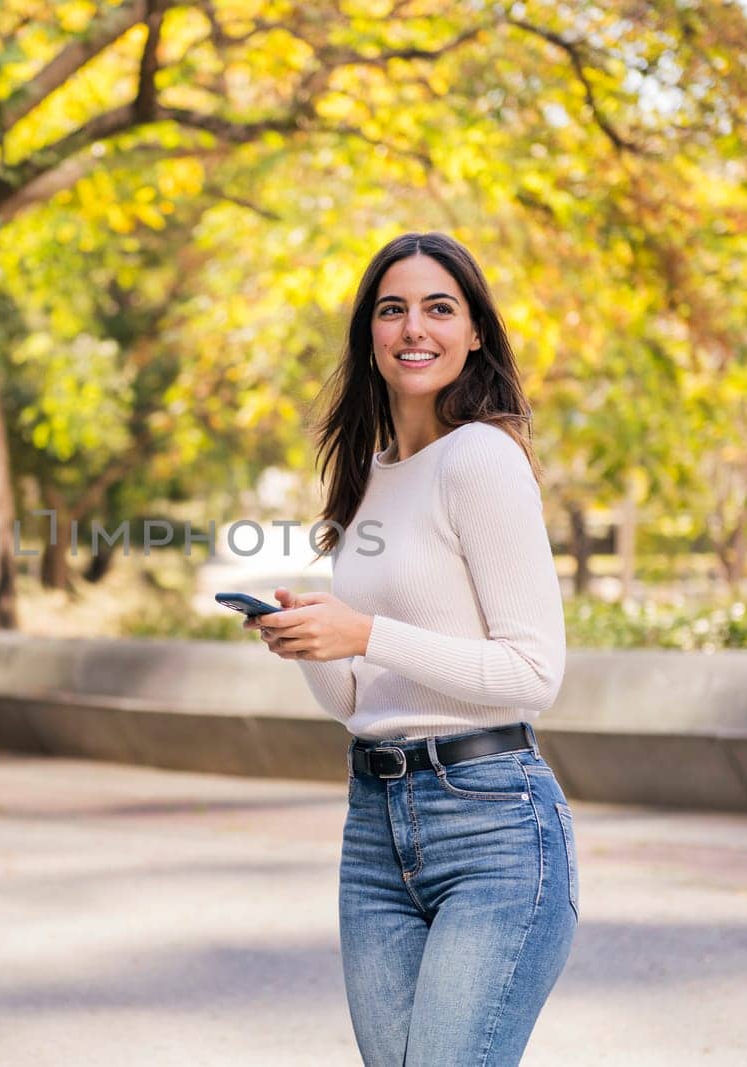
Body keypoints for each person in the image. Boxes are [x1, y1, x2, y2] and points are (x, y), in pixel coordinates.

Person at [246, 232, 576, 1066]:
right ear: (369, 336)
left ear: (474, 333)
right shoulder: (370, 477)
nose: (413, 328)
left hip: (493, 823)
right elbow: (361, 700)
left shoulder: (483, 458)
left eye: (439, 307)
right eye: (392, 309)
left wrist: (365, 631)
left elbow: (534, 673)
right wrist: (315, 641)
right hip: (375, 829)